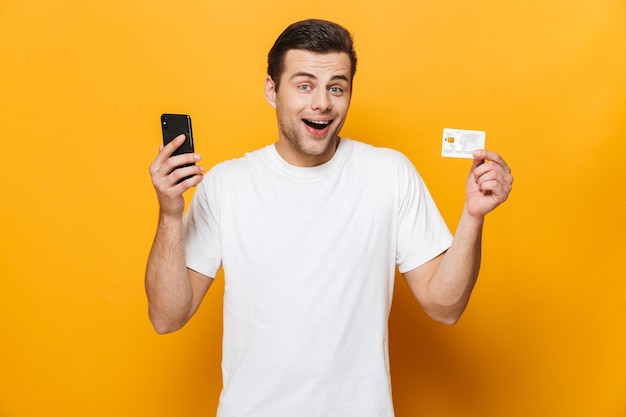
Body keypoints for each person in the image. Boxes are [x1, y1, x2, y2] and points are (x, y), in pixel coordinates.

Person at [146, 18, 513, 417]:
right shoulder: (226, 185)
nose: (322, 102)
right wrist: (169, 213)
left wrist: (473, 217)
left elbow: (445, 306)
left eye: (336, 87)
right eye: (304, 85)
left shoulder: (388, 174)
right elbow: (167, 317)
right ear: (272, 91)